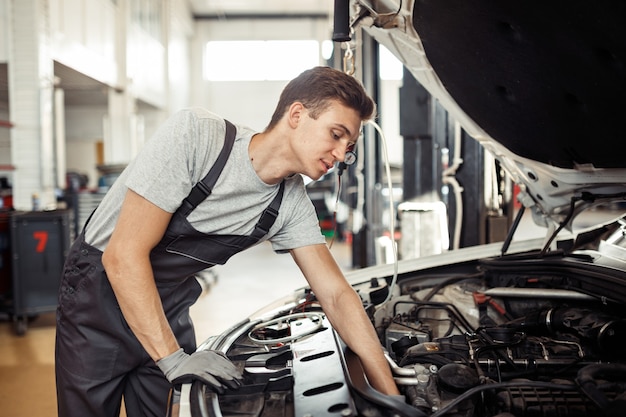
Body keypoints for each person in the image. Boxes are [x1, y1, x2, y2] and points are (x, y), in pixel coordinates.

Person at [55, 66, 400, 417]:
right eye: (336, 134)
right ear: (297, 115)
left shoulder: (289, 203)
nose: (342, 154)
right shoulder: (198, 138)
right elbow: (122, 257)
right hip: (97, 302)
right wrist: (172, 359)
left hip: (166, 306)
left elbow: (338, 296)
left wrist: (393, 397)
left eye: (349, 145)